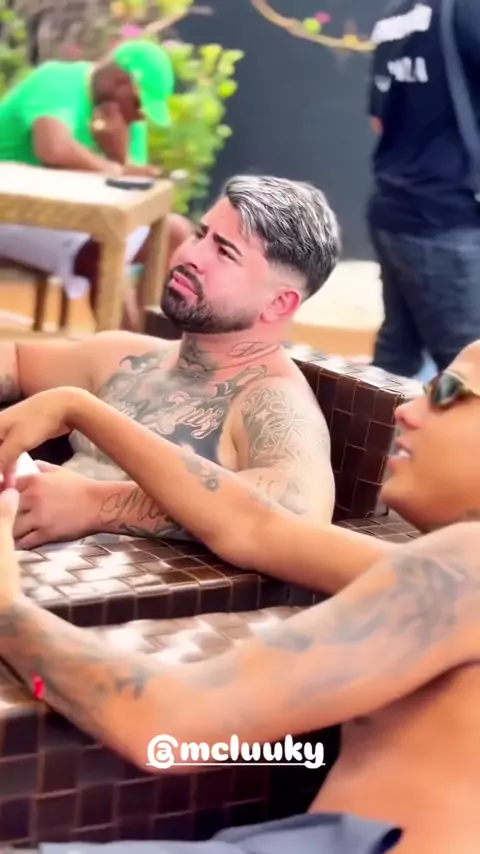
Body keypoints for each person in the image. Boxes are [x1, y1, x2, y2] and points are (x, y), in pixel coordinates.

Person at [0, 346, 480, 852]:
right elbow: (254, 526)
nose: (407, 409)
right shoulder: (453, 575)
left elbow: (169, 729)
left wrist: (9, 610)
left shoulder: (461, 567)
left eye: (449, 391)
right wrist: (81, 409)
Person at [0, 174, 340, 551]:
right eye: (200, 235)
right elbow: (15, 360)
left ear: (278, 303)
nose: (190, 256)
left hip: (108, 583)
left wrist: (95, 504)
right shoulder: (124, 357)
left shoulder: (270, 401)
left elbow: (298, 514)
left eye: (225, 253)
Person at [0, 38, 192, 330]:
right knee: (104, 251)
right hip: (11, 212)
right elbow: (52, 148)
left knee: (174, 231)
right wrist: (116, 168)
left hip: (66, 219)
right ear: (120, 82)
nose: (139, 115)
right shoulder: (58, 80)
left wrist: (118, 154)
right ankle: (130, 353)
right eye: (139, 104)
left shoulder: (128, 122)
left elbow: (131, 199)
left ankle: (151, 335)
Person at [367, 0, 480, 377]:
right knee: (468, 375)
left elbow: (379, 120)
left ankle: (367, 417)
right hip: (448, 221)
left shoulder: (394, 17)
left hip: (396, 209)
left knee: (396, 360)